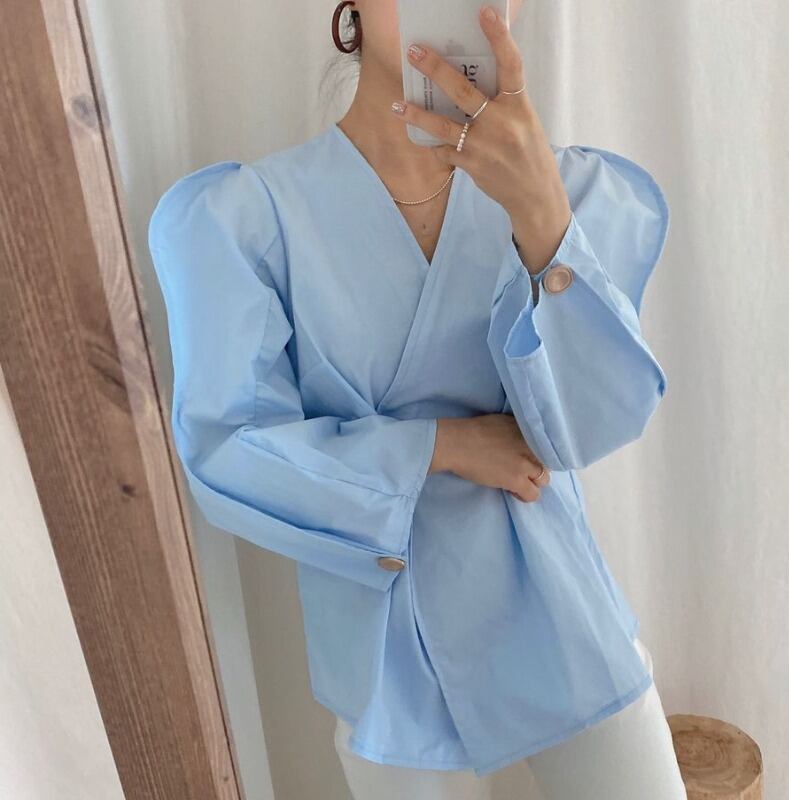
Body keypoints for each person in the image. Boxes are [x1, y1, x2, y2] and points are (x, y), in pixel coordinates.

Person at [147, 1, 686, 797]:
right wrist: (442, 445)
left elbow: (590, 425)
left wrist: (542, 218)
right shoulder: (252, 218)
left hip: (555, 604)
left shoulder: (566, 189)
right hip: (386, 630)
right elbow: (229, 449)